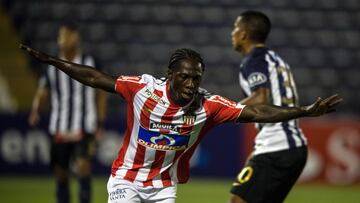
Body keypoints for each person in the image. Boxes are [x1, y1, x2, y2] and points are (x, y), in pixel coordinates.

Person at [20, 43, 341, 203]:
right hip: (126, 180)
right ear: (170, 75)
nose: (191, 83)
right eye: (184, 77)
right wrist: (53, 61)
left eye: (196, 77)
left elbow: (257, 112)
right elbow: (95, 77)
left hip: (163, 187)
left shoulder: (209, 105)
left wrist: (302, 111)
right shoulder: (143, 89)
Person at [229, 10, 316, 203]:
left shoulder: (254, 60)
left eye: (235, 27)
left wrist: (227, 110)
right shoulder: (275, 59)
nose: (232, 32)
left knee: (238, 200)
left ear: (243, 34)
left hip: (277, 146)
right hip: (289, 145)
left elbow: (261, 99)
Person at [28, 24, 107, 203]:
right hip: (59, 127)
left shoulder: (91, 62)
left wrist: (100, 122)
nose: (62, 40)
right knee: (61, 174)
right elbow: (43, 91)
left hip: (84, 126)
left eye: (66, 36)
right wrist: (35, 110)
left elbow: (101, 94)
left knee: (83, 168)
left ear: (76, 37)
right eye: (60, 36)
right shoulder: (51, 65)